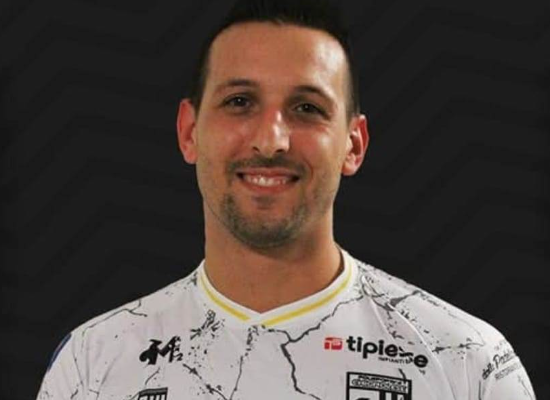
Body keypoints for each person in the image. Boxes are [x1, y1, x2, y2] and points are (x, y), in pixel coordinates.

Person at [36, 0, 536, 399]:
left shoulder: (469, 363)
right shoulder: (92, 365)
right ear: (189, 132)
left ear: (353, 144)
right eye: (239, 102)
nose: (271, 140)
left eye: (306, 108)